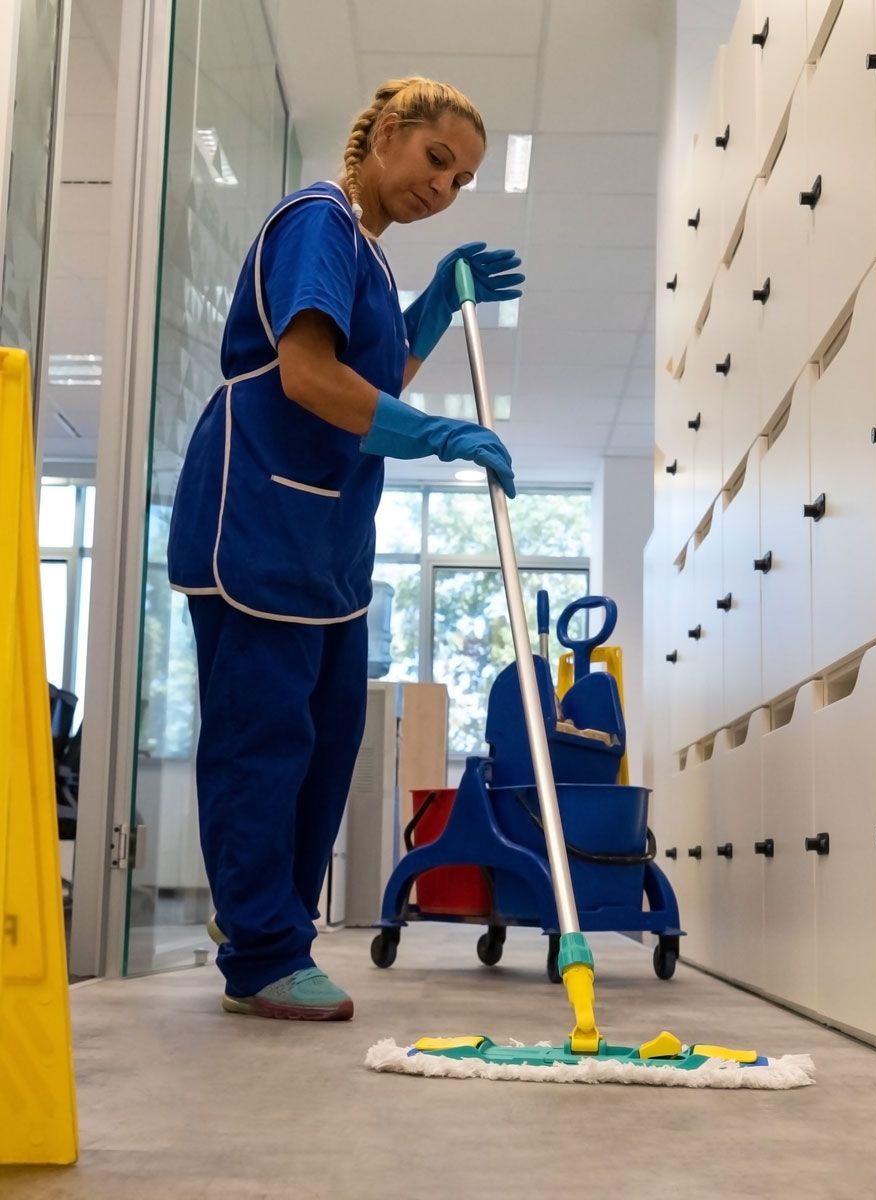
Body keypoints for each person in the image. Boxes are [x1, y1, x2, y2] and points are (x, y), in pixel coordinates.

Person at [167, 77, 523, 1021]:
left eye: (464, 180)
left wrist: (432, 317)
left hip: (326, 542)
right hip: (259, 518)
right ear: (386, 135)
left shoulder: (367, 258)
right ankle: (261, 949)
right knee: (265, 743)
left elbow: (374, 374)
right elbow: (309, 375)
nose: (444, 187)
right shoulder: (319, 221)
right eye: (436, 158)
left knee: (327, 748)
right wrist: (438, 436)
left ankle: (266, 916)